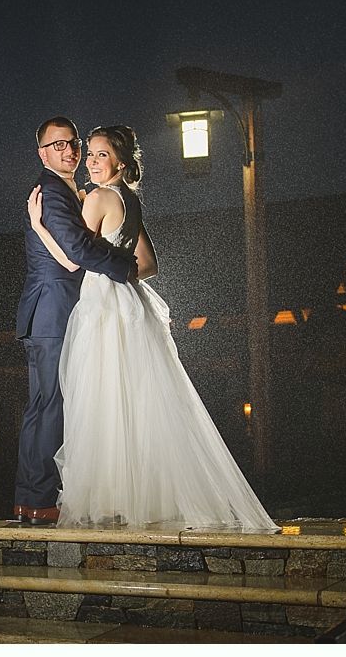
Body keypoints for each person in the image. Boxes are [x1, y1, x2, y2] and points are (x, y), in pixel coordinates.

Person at [27, 124, 277, 531]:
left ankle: (111, 499)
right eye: (88, 153)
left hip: (102, 308)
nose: (89, 160)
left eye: (99, 154)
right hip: (130, 304)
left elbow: (73, 261)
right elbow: (149, 265)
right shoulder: (129, 201)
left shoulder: (99, 198)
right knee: (136, 400)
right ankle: (143, 497)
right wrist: (120, 275)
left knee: (103, 400)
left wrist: (39, 226)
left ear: (120, 163)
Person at [14, 116, 137, 526]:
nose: (68, 151)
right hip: (52, 310)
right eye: (57, 146)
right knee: (52, 403)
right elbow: (77, 249)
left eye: (72, 144)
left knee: (53, 403)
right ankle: (37, 499)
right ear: (42, 154)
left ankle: (34, 497)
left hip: (62, 309)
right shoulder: (51, 193)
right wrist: (123, 265)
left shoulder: (75, 191)